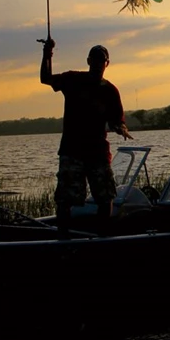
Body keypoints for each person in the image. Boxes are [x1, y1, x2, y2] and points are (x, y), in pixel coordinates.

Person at [41, 39, 132, 236]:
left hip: (98, 153)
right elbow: (45, 78)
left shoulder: (110, 90)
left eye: (103, 61)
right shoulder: (72, 79)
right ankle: (63, 240)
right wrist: (47, 53)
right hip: (72, 151)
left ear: (107, 64)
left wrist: (121, 128)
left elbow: (118, 119)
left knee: (105, 197)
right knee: (65, 199)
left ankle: (102, 238)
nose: (99, 64)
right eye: (96, 60)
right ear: (88, 61)